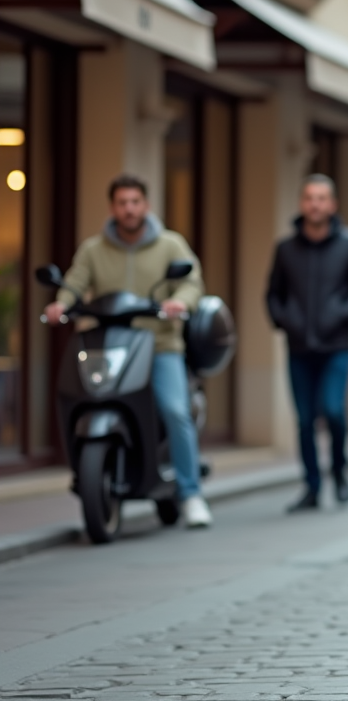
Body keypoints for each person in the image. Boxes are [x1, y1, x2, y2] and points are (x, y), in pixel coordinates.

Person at [45, 174, 211, 528]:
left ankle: (190, 493)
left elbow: (191, 283)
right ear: (112, 208)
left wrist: (180, 303)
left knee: (175, 411)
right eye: (122, 203)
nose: (129, 209)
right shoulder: (93, 249)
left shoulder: (170, 245)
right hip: (110, 345)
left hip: (160, 345)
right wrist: (61, 304)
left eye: (135, 202)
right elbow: (74, 284)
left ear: (146, 205)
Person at [266, 174, 348, 512]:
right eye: (309, 198)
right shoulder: (285, 249)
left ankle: (339, 472)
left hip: (336, 346)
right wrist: (286, 320)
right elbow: (273, 295)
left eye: (321, 198)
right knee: (304, 421)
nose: (315, 204)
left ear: (333, 204)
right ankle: (312, 487)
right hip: (299, 348)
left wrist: (340, 313)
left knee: (333, 410)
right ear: (302, 203)